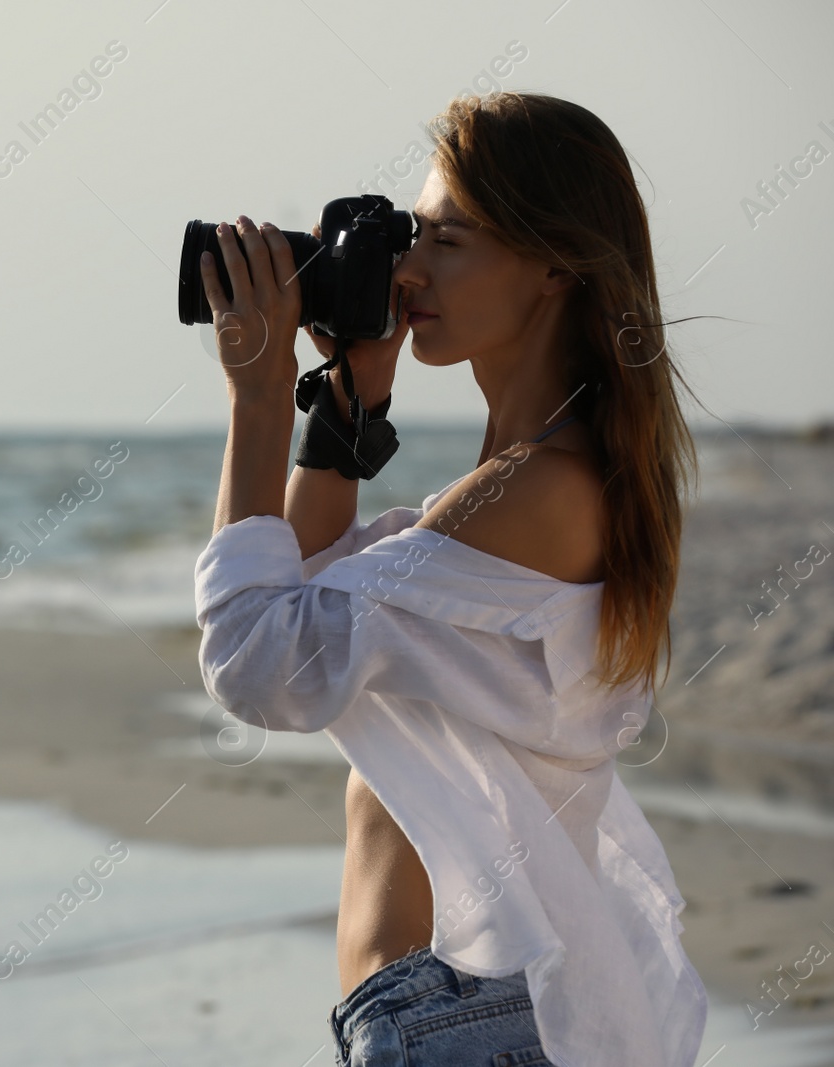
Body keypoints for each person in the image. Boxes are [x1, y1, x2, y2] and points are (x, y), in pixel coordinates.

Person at [192, 92, 707, 1066]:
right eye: (410, 237)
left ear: (553, 261)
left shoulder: (534, 490)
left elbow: (258, 663)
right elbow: (309, 595)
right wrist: (348, 398)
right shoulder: (536, 478)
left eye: (449, 239)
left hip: (457, 1023)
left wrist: (258, 396)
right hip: (461, 1020)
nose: (409, 270)